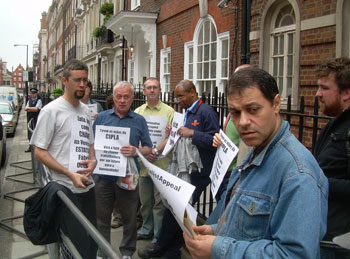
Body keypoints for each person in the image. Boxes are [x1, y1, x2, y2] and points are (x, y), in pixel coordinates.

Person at [183, 67, 328, 259]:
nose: (242, 121)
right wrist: (216, 230)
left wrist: (219, 249)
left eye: (253, 109)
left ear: (276, 104)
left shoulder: (299, 175)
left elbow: (294, 255)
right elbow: (253, 226)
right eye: (235, 112)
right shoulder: (257, 150)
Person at [138, 79, 219, 259]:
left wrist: (193, 133)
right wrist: (173, 132)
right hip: (185, 171)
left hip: (198, 172)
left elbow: (215, 140)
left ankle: (162, 250)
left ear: (193, 93)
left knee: (177, 209)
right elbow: (182, 136)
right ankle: (169, 250)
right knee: (176, 210)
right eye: (177, 97)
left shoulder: (206, 112)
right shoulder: (187, 113)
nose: (178, 100)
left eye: (181, 96)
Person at [30, 59, 98, 259]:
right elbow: (39, 152)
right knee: (74, 247)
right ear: (64, 81)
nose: (82, 85)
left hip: (87, 187)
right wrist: (70, 174)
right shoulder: (51, 111)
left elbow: (90, 143)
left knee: (91, 243)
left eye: (85, 80)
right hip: (65, 190)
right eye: (77, 80)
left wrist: (93, 160)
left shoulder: (86, 110)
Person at [93, 81, 152, 259]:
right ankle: (103, 251)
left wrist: (136, 151)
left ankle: (127, 252)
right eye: (119, 96)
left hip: (128, 177)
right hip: (103, 177)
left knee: (130, 218)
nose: (122, 100)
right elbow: (92, 144)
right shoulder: (102, 117)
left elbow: (149, 148)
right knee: (102, 219)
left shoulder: (139, 121)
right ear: (114, 97)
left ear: (132, 98)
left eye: (126, 97)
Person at [313, 57, 350, 258]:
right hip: (324, 232)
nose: (317, 93)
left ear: (346, 93)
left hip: (340, 241)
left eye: (324, 88)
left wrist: (318, 181)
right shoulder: (333, 125)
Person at [134, 78, 174, 246]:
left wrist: (155, 151)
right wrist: (145, 152)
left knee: (159, 204)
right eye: (148, 88)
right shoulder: (138, 112)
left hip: (161, 164)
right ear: (143, 91)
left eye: (154, 87)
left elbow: (172, 137)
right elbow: (134, 137)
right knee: (145, 201)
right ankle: (146, 228)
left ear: (159, 90)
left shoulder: (169, 111)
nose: (151, 90)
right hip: (143, 165)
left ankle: (158, 235)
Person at [25, 87, 42, 152]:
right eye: (32, 93)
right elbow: (25, 108)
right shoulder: (29, 100)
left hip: (36, 119)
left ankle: (36, 147)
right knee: (30, 132)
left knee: (36, 132)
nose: (33, 94)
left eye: (34, 93)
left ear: (36, 93)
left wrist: (29, 108)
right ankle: (30, 147)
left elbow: (37, 109)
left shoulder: (39, 100)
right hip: (29, 118)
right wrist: (33, 108)